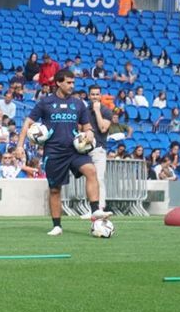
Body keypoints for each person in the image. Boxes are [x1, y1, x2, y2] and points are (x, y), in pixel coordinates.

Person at [14, 69, 112, 236]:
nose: (72, 85)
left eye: (73, 83)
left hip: (75, 149)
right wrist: (19, 146)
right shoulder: (45, 103)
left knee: (91, 170)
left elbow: (87, 126)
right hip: (53, 151)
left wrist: (89, 133)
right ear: (58, 83)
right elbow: (27, 123)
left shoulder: (79, 104)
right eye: (68, 82)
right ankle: (57, 226)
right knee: (55, 190)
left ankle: (95, 210)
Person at [81, 84, 112, 217]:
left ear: (100, 95)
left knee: (99, 178)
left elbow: (103, 128)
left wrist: (97, 111)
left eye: (97, 94)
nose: (94, 97)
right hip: (86, 149)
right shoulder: (84, 110)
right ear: (89, 95)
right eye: (92, 94)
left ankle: (100, 208)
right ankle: (92, 209)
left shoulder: (106, 111)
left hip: (99, 149)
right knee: (89, 179)